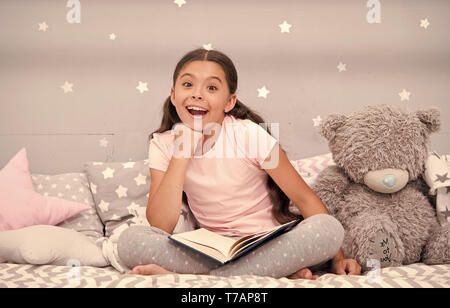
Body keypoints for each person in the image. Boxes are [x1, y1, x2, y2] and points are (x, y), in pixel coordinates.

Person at [117, 48, 361, 279]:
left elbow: (305, 198)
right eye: (188, 84)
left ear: (229, 102)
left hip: (268, 243)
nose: (197, 94)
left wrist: (337, 259)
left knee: (328, 229)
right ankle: (272, 271)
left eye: (211, 87)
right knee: (130, 241)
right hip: (209, 250)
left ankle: (207, 277)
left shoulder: (251, 134)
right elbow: (161, 225)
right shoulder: (161, 143)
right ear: (173, 95)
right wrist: (181, 153)